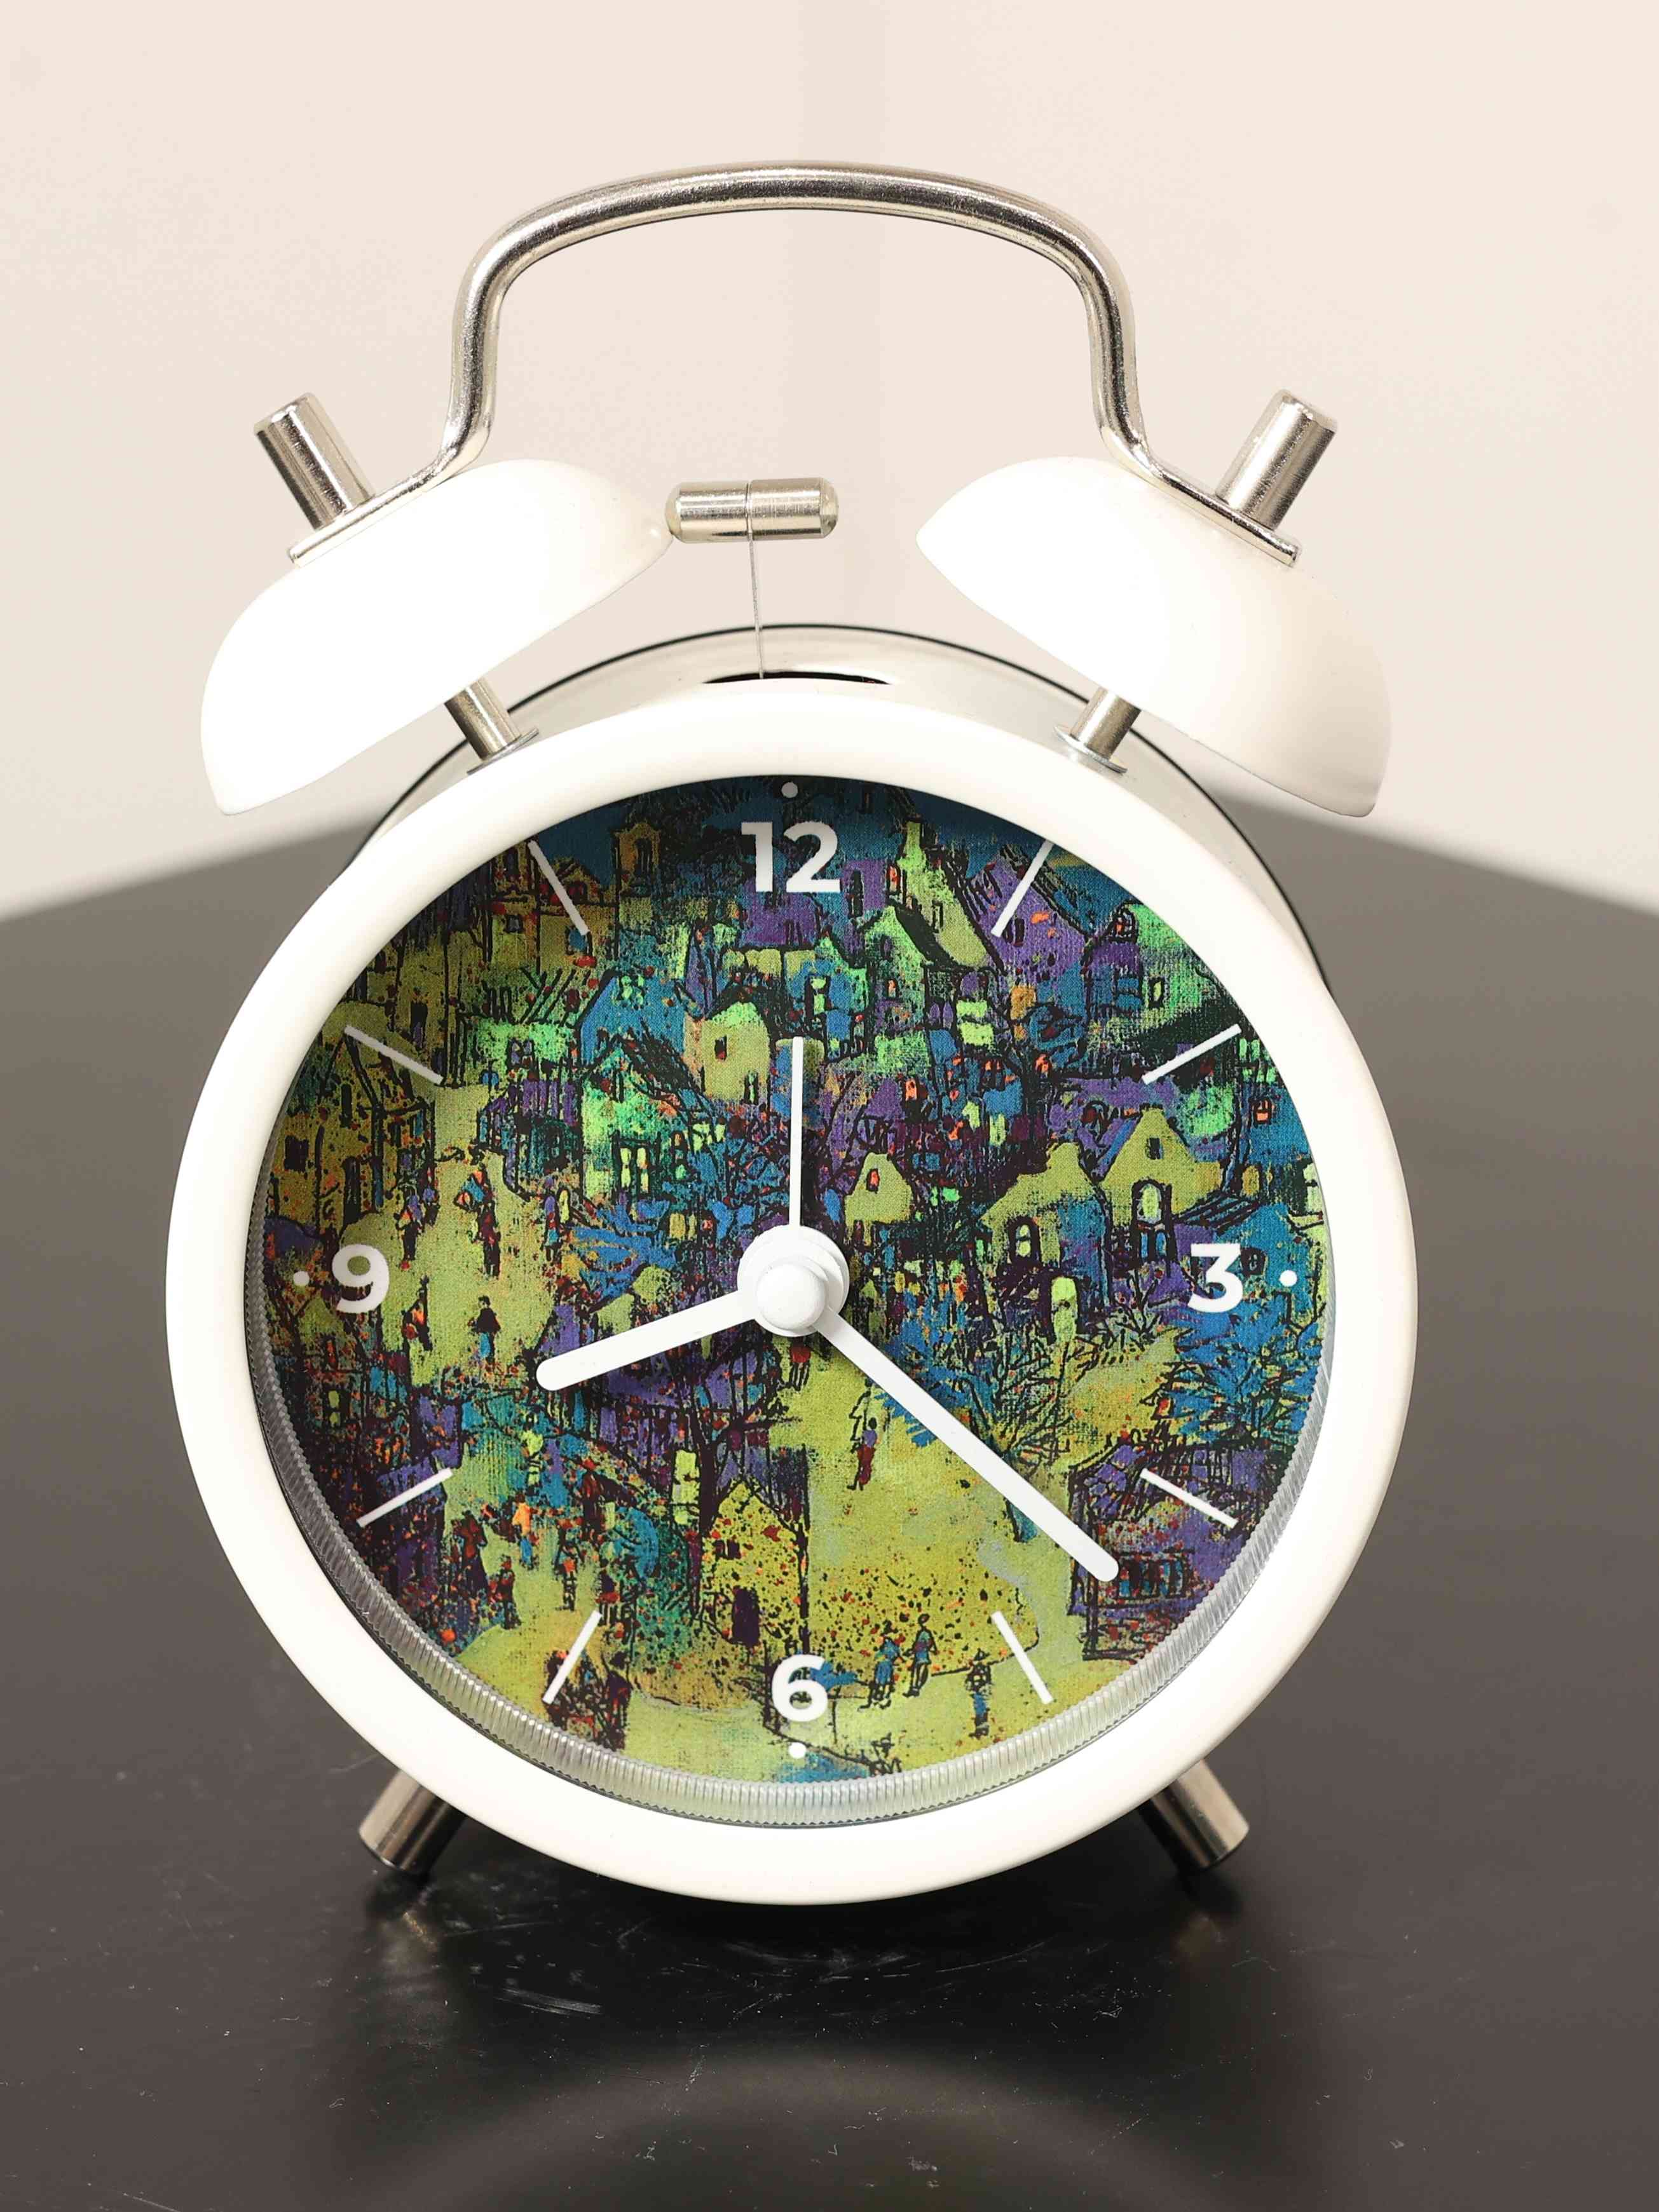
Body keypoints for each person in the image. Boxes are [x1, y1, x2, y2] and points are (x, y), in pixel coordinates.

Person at [866, 1624, 900, 1709]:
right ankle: (874, 1700)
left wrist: (888, 1658)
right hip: (882, 1666)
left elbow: (895, 1653)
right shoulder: (885, 1644)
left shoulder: (889, 1644)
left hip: (886, 1666)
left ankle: (884, 1698)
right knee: (879, 1682)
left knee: (885, 1682)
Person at [906, 1614, 937, 1698]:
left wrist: (922, 1647)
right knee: (916, 1673)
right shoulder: (921, 1633)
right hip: (919, 1655)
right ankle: (914, 1689)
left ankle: (916, 1689)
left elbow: (929, 1643)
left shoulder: (925, 1634)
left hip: (923, 1655)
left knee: (920, 1673)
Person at [966, 1650, 993, 1739]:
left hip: (982, 1691)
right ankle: (982, 1727)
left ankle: (982, 1727)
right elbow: (970, 1678)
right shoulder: (978, 1669)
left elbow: (987, 1679)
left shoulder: (984, 1669)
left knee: (981, 1709)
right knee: (980, 1709)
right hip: (979, 1692)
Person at [491, 1554, 519, 1629]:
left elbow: (505, 1582)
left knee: (510, 1608)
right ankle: (508, 1623)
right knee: (506, 1609)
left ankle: (513, 1621)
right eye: (508, 1563)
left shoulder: (510, 1573)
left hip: (507, 1594)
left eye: (510, 1563)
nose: (510, 1565)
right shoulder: (502, 1572)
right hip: (503, 1594)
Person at [471, 1298, 501, 1365]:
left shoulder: (486, 1312)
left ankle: (489, 1363)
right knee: (490, 1348)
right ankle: (490, 1362)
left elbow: (481, 1323)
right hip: (488, 1334)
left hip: (487, 1334)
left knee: (487, 1349)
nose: (479, 1305)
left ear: (485, 1304)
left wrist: (475, 1327)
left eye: (481, 1303)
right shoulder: (487, 1312)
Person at [850, 1420, 878, 1491]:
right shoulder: (875, 1434)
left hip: (865, 1451)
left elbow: (862, 1439)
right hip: (870, 1452)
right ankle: (861, 1484)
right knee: (866, 1467)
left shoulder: (867, 1433)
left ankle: (856, 1484)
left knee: (860, 1468)